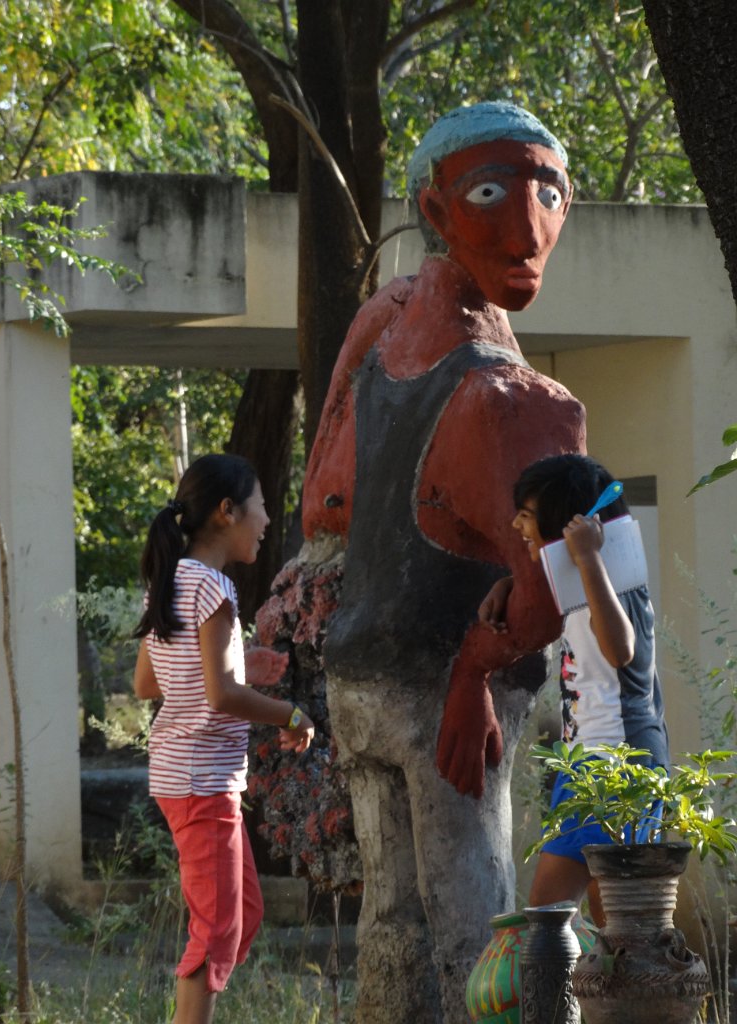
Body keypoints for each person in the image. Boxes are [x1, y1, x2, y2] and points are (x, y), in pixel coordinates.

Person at [295, 102, 587, 1023]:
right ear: (435, 206)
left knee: (393, 930)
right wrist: (472, 673)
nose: (528, 229)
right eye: (493, 194)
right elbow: (545, 597)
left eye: (550, 194)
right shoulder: (517, 401)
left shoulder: (382, 335)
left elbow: (323, 501)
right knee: (477, 940)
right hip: (445, 701)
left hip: (362, 680)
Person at [133, 453, 314, 1024]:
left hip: (186, 779)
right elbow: (219, 697)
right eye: (261, 506)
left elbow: (147, 682)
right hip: (201, 783)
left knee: (244, 914)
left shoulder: (169, 581)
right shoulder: (214, 588)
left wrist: (238, 666)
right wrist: (291, 715)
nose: (267, 520)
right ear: (227, 511)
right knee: (216, 932)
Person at [479, 453, 670, 925]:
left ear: (565, 522)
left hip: (618, 763)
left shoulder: (612, 575)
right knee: (594, 926)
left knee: (562, 923)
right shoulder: (584, 576)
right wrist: (509, 585)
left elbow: (620, 650)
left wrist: (587, 557)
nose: (517, 524)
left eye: (527, 514)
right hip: (586, 760)